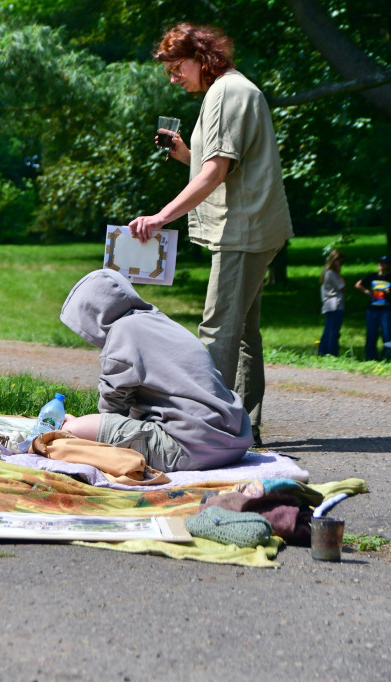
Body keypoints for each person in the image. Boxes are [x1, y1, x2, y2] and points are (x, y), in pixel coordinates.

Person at [127, 23, 292, 447]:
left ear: (202, 58)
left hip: (244, 230)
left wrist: (161, 216)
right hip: (256, 227)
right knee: (243, 333)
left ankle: (208, 429)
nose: (173, 77)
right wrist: (185, 153)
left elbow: (216, 172)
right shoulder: (232, 90)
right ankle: (244, 426)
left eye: (176, 66)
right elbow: (224, 168)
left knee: (218, 330)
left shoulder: (226, 94)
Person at [59, 269, 253, 472]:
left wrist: (89, 426)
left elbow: (113, 404)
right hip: (232, 441)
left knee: (72, 431)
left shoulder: (123, 330)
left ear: (94, 315)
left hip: (190, 447)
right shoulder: (161, 323)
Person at [355, 256, 391, 360]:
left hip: (386, 309)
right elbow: (358, 285)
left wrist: (390, 294)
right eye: (380, 263)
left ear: (389, 266)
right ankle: (371, 357)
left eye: (384, 263)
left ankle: (386, 357)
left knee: (387, 334)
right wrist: (367, 292)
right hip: (372, 309)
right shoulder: (372, 277)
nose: (382, 265)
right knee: (371, 333)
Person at [318, 249, 346, 356]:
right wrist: (339, 273)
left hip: (328, 305)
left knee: (328, 330)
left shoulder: (326, 272)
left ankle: (323, 352)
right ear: (334, 260)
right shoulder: (332, 274)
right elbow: (343, 287)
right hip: (336, 305)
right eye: (340, 262)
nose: (340, 264)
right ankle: (332, 353)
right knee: (333, 331)